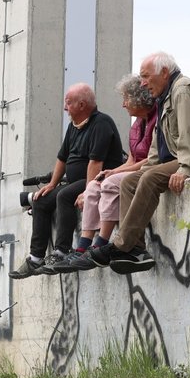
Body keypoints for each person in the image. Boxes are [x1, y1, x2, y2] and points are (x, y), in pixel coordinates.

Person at [86, 52, 190, 274]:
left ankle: (120, 244)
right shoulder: (163, 97)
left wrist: (185, 169)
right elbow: (158, 148)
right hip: (176, 158)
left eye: (146, 76)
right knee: (129, 182)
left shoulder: (182, 90)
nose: (142, 83)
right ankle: (136, 251)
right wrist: (144, 168)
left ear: (164, 73)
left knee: (150, 178)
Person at [9, 83, 126, 279]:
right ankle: (36, 257)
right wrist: (52, 184)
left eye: (68, 103)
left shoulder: (102, 123)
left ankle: (61, 252)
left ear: (82, 105)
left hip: (96, 178)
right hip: (75, 180)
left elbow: (95, 163)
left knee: (64, 196)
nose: (65, 108)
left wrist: (87, 191)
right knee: (40, 199)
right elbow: (62, 158)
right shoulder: (73, 127)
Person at [50, 76, 157, 273]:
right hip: (135, 169)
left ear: (138, 99)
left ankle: (100, 244)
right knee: (93, 186)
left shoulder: (155, 120)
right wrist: (112, 171)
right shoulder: (135, 126)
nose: (123, 104)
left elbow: (151, 159)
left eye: (126, 99)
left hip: (148, 170)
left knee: (109, 184)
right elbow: (132, 160)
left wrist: (113, 174)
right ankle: (83, 247)